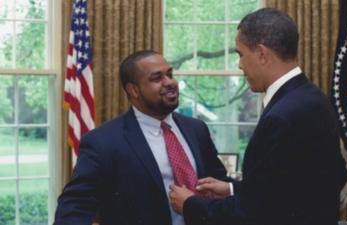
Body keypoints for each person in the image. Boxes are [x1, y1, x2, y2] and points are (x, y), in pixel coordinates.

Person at [169, 7, 346, 225]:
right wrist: (231, 188)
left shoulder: (281, 117)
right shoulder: (312, 97)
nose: (240, 65)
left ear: (262, 54)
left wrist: (190, 204)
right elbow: (285, 186)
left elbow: (253, 213)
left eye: (241, 54)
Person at [54, 50, 229, 225]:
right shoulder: (103, 142)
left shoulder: (196, 129)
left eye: (169, 74)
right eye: (157, 78)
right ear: (134, 90)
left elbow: (220, 183)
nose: (170, 83)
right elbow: (75, 206)